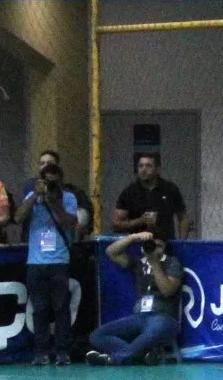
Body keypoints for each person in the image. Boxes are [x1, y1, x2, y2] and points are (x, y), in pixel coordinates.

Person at [88, 231, 185, 366]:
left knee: (151, 333)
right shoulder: (139, 262)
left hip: (163, 317)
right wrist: (133, 237)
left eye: (159, 246)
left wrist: (154, 263)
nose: (155, 249)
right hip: (139, 317)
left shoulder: (172, 262)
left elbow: (167, 291)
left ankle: (112, 359)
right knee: (97, 335)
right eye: (151, 246)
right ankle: (141, 356)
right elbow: (111, 252)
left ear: (165, 248)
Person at [17, 161, 80, 365]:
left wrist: (54, 203)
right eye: (47, 182)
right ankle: (41, 352)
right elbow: (18, 217)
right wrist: (36, 195)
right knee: (40, 308)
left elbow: (70, 222)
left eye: (54, 183)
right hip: (36, 261)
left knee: (61, 307)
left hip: (59, 260)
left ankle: (62, 351)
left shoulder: (68, 198)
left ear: (61, 182)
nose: (51, 186)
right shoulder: (33, 196)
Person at [114, 153, 189, 241]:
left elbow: (183, 219)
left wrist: (182, 243)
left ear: (157, 170)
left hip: (165, 243)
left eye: (148, 166)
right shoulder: (129, 192)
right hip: (137, 243)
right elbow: (116, 225)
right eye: (140, 166)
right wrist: (140, 221)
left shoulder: (170, 189)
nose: (143, 169)